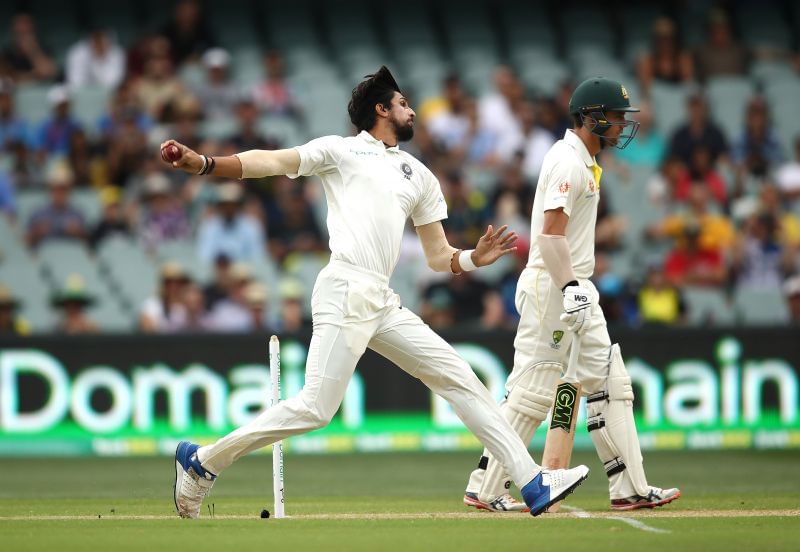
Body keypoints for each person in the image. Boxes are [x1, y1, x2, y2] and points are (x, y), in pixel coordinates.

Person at [162, 66, 589, 519]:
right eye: (403, 103)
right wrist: (206, 164)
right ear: (382, 109)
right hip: (345, 288)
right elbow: (273, 161)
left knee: (460, 377)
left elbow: (437, 255)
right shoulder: (340, 152)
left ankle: (531, 482)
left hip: (381, 301)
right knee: (315, 409)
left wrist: (471, 259)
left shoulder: (419, 175)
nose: (412, 111)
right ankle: (203, 461)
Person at [463, 77, 680, 513]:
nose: (621, 126)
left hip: (574, 286)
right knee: (533, 389)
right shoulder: (567, 162)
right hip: (554, 286)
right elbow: (548, 238)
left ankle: (629, 488)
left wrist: (578, 289)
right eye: (615, 118)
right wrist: (571, 289)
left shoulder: (585, 161)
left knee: (610, 380)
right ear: (590, 118)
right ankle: (485, 488)